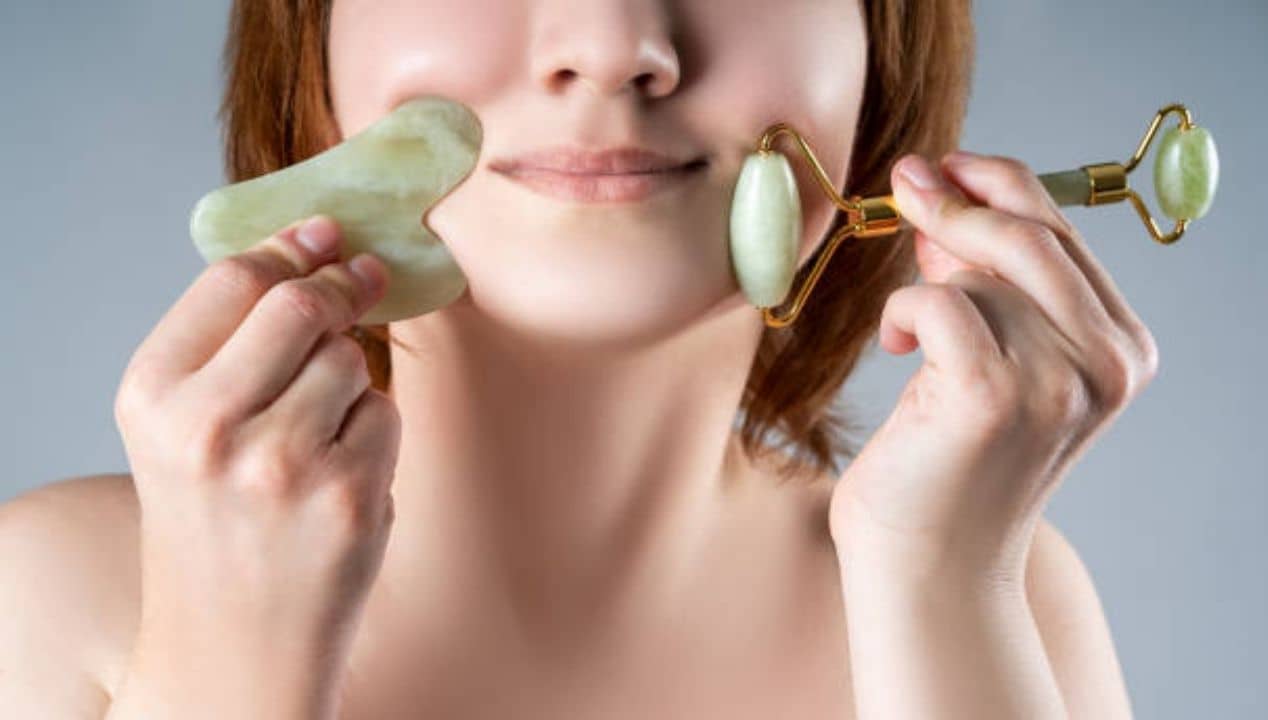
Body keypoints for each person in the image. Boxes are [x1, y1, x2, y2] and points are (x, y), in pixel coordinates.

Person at [0, 0, 1149, 717]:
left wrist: (940, 585)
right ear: (311, 33)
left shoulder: (1001, 598)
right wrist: (224, 663)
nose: (610, 46)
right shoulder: (55, 598)